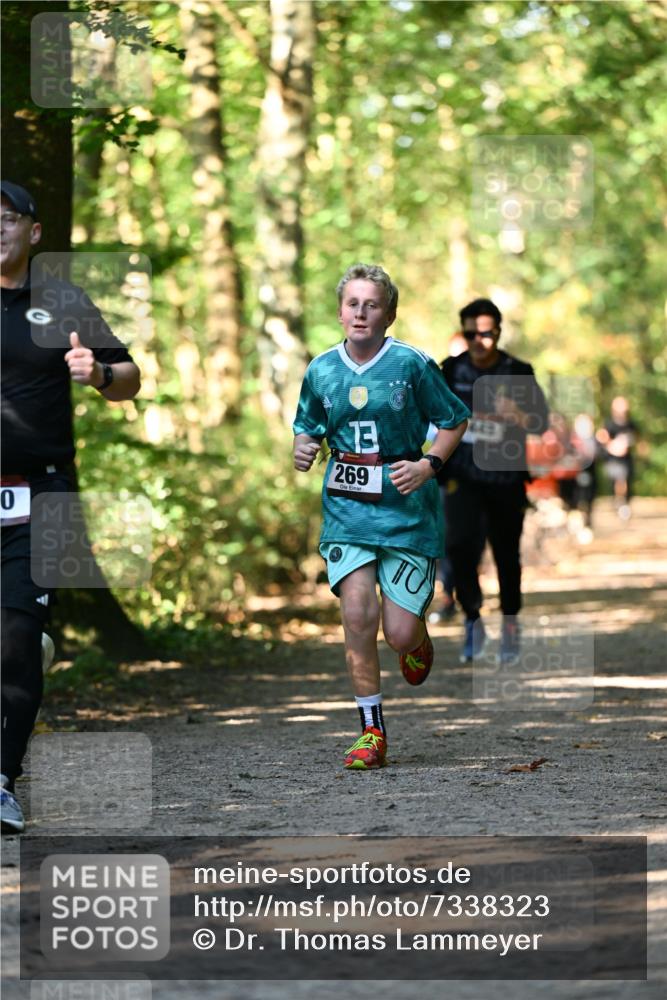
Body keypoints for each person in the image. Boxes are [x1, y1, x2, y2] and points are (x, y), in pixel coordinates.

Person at [0, 181, 141, 833]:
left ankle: (1, 778)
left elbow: (130, 378)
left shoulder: (62, 300)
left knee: (18, 638)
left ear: (33, 231)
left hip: (46, 490)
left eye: (6, 218)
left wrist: (100, 374)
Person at [293, 263, 469, 770]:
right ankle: (371, 731)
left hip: (406, 513)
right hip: (346, 510)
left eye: (372, 304)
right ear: (340, 310)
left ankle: (416, 640)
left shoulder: (413, 365)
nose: (361, 312)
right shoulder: (321, 368)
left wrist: (429, 465)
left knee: (397, 633)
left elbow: (455, 420)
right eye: (353, 303)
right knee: (356, 615)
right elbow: (307, 426)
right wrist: (303, 449)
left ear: (389, 313)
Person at [437, 298, 549, 663]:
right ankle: (472, 620)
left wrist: (519, 415)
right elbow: (427, 413)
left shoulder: (518, 371)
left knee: (506, 555)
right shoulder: (450, 370)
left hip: (505, 479)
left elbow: (542, 424)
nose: (478, 341)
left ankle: (511, 629)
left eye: (485, 333)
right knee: (459, 548)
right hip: (461, 478)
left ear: (498, 332)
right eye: (470, 333)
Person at [597, 396, 638, 520]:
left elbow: (638, 439)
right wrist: (612, 446)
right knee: (620, 479)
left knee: (627, 481)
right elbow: (601, 436)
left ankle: (623, 503)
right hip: (613, 459)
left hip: (626, 459)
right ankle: (620, 504)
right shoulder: (609, 423)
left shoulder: (630, 423)